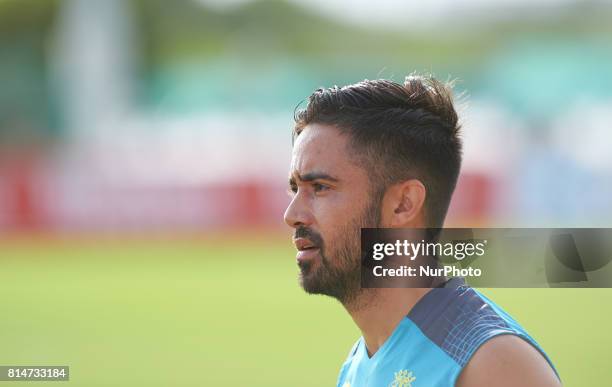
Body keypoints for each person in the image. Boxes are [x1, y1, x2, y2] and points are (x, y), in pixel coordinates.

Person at [283, 75, 561, 387]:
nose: (291, 215)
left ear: (403, 204)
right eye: (295, 188)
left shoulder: (492, 365)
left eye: (320, 187)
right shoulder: (358, 365)